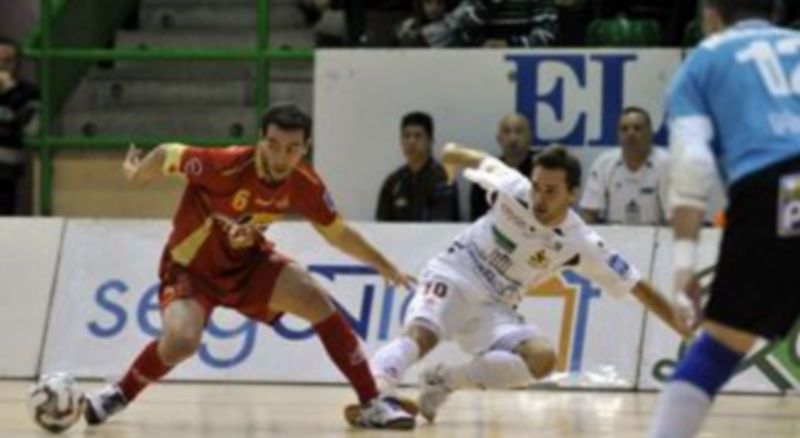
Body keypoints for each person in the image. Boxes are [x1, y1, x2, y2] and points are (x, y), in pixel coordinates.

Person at [82, 104, 416, 430]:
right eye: (273, 145)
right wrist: (136, 175)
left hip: (248, 264)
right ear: (260, 139)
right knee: (182, 341)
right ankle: (120, 393)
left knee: (316, 300)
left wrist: (383, 264)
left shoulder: (303, 183)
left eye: (292, 149)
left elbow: (338, 233)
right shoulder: (224, 165)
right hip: (190, 270)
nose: (280, 157)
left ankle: (372, 403)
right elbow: (168, 153)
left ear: (305, 148)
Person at [363, 143, 689, 423]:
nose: (539, 199)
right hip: (454, 273)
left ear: (573, 194)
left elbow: (638, 286)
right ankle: (375, 396)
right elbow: (470, 157)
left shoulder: (581, 242)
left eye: (551, 191)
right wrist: (450, 157)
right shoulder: (513, 187)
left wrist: (687, 330)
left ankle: (444, 381)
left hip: (496, 306)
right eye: (536, 187)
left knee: (542, 359)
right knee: (423, 335)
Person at [650, 1, 800, 437]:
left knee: (718, 348)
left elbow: (692, 168)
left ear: (708, 15)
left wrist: (682, 267)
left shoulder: (705, 61)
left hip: (777, 189)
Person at [580, 107, 671, 225]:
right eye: (624, 129)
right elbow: (589, 213)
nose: (630, 133)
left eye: (637, 128)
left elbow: (675, 218)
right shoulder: (604, 163)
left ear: (650, 133)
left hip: (656, 238)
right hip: (613, 238)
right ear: (618, 134)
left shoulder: (667, 164)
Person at [376, 111, 460, 221]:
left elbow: (442, 224)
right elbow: (382, 225)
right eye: (406, 136)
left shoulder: (444, 180)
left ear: (430, 140)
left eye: (418, 136)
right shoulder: (393, 183)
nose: (411, 142)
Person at [470, 113, 537, 220]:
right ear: (498, 138)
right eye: (507, 132)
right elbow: (477, 218)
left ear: (529, 136)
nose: (513, 138)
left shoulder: (544, 170)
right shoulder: (485, 173)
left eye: (519, 131)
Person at [0, 37, 38, 215]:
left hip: (5, 175)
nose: (2, 67)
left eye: (8, 61)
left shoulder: (28, 93)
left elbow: (33, 129)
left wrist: (12, 94)